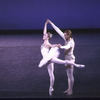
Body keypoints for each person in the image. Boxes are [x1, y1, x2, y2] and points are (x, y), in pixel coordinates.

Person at [39, 20, 85, 96]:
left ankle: (70, 90)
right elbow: (58, 30)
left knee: (70, 75)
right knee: (67, 75)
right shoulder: (66, 38)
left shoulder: (71, 42)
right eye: (64, 35)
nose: (63, 36)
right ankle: (68, 88)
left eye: (65, 35)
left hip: (70, 58)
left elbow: (67, 46)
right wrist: (50, 23)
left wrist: (60, 46)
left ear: (69, 36)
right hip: (64, 57)